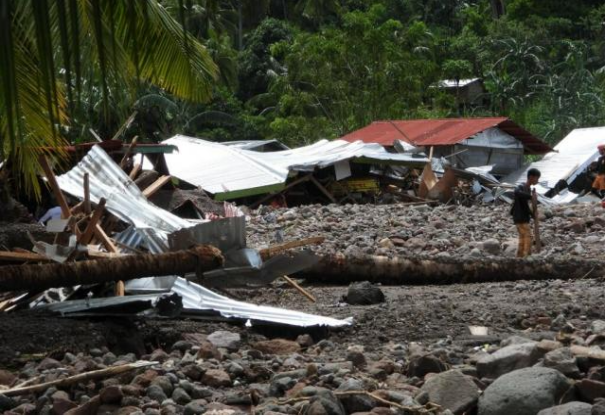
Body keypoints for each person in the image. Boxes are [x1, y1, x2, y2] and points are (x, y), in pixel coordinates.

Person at [511, 168, 541, 258]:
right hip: (519, 216)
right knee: (528, 236)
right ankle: (526, 257)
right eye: (537, 178)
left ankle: (519, 257)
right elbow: (516, 192)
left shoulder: (528, 189)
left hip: (523, 216)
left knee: (522, 238)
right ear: (531, 177)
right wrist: (530, 197)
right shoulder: (521, 186)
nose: (537, 180)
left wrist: (532, 214)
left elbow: (525, 206)